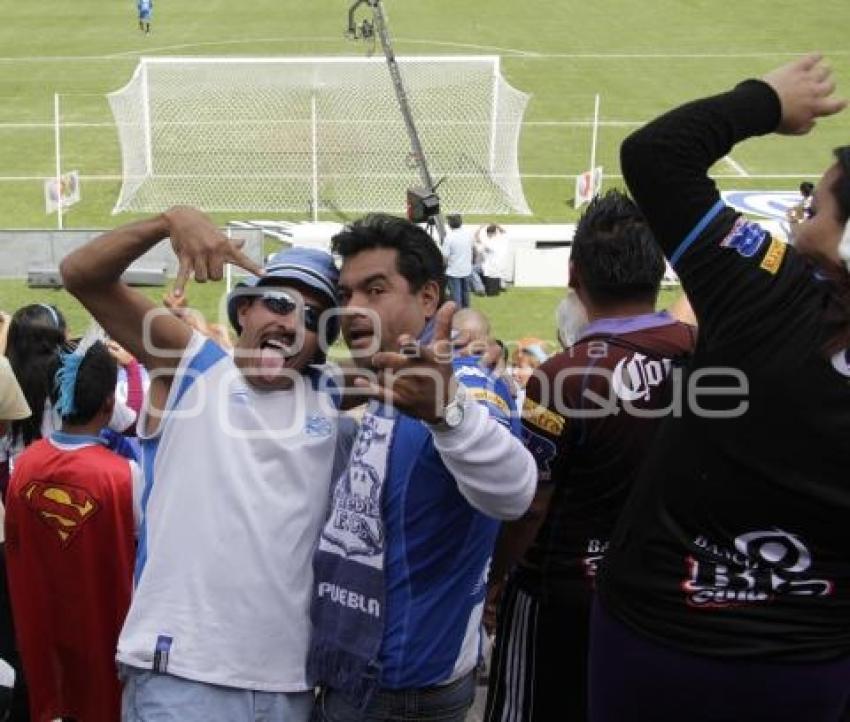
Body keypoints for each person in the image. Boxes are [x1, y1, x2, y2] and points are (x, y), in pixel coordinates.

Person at [592, 55, 850, 722]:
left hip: (656, 637)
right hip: (810, 664)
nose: (799, 214)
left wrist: (765, 100)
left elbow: (656, 155)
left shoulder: (767, 293)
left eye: (815, 204)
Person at [59, 207, 350, 722]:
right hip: (183, 676)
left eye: (312, 318)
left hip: (290, 686)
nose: (290, 322)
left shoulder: (331, 404)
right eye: (280, 302)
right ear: (246, 311)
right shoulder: (195, 367)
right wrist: (168, 222)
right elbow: (83, 276)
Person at [307, 213, 537, 722]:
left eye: (376, 289)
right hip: (358, 668)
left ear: (429, 298)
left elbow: (516, 494)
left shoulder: (461, 383)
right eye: (346, 294)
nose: (354, 309)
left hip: (400, 694)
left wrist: (447, 414)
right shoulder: (392, 372)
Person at [483, 190, 696, 722]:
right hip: (664, 586)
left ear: (573, 273)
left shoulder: (562, 377)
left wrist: (495, 581)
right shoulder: (701, 351)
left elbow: (532, 503)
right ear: (657, 269)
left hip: (564, 595)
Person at [5, 336, 140, 722]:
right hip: (104, 633)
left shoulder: (23, 466)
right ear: (109, 404)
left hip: (38, 628)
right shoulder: (124, 476)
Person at [442, 214, 474, 309]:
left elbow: (445, 257)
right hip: (466, 269)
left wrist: (443, 267)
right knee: (466, 294)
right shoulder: (468, 235)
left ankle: (458, 315)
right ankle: (466, 312)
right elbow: (472, 248)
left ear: (450, 224)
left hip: (454, 271)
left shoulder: (449, 238)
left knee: (456, 296)